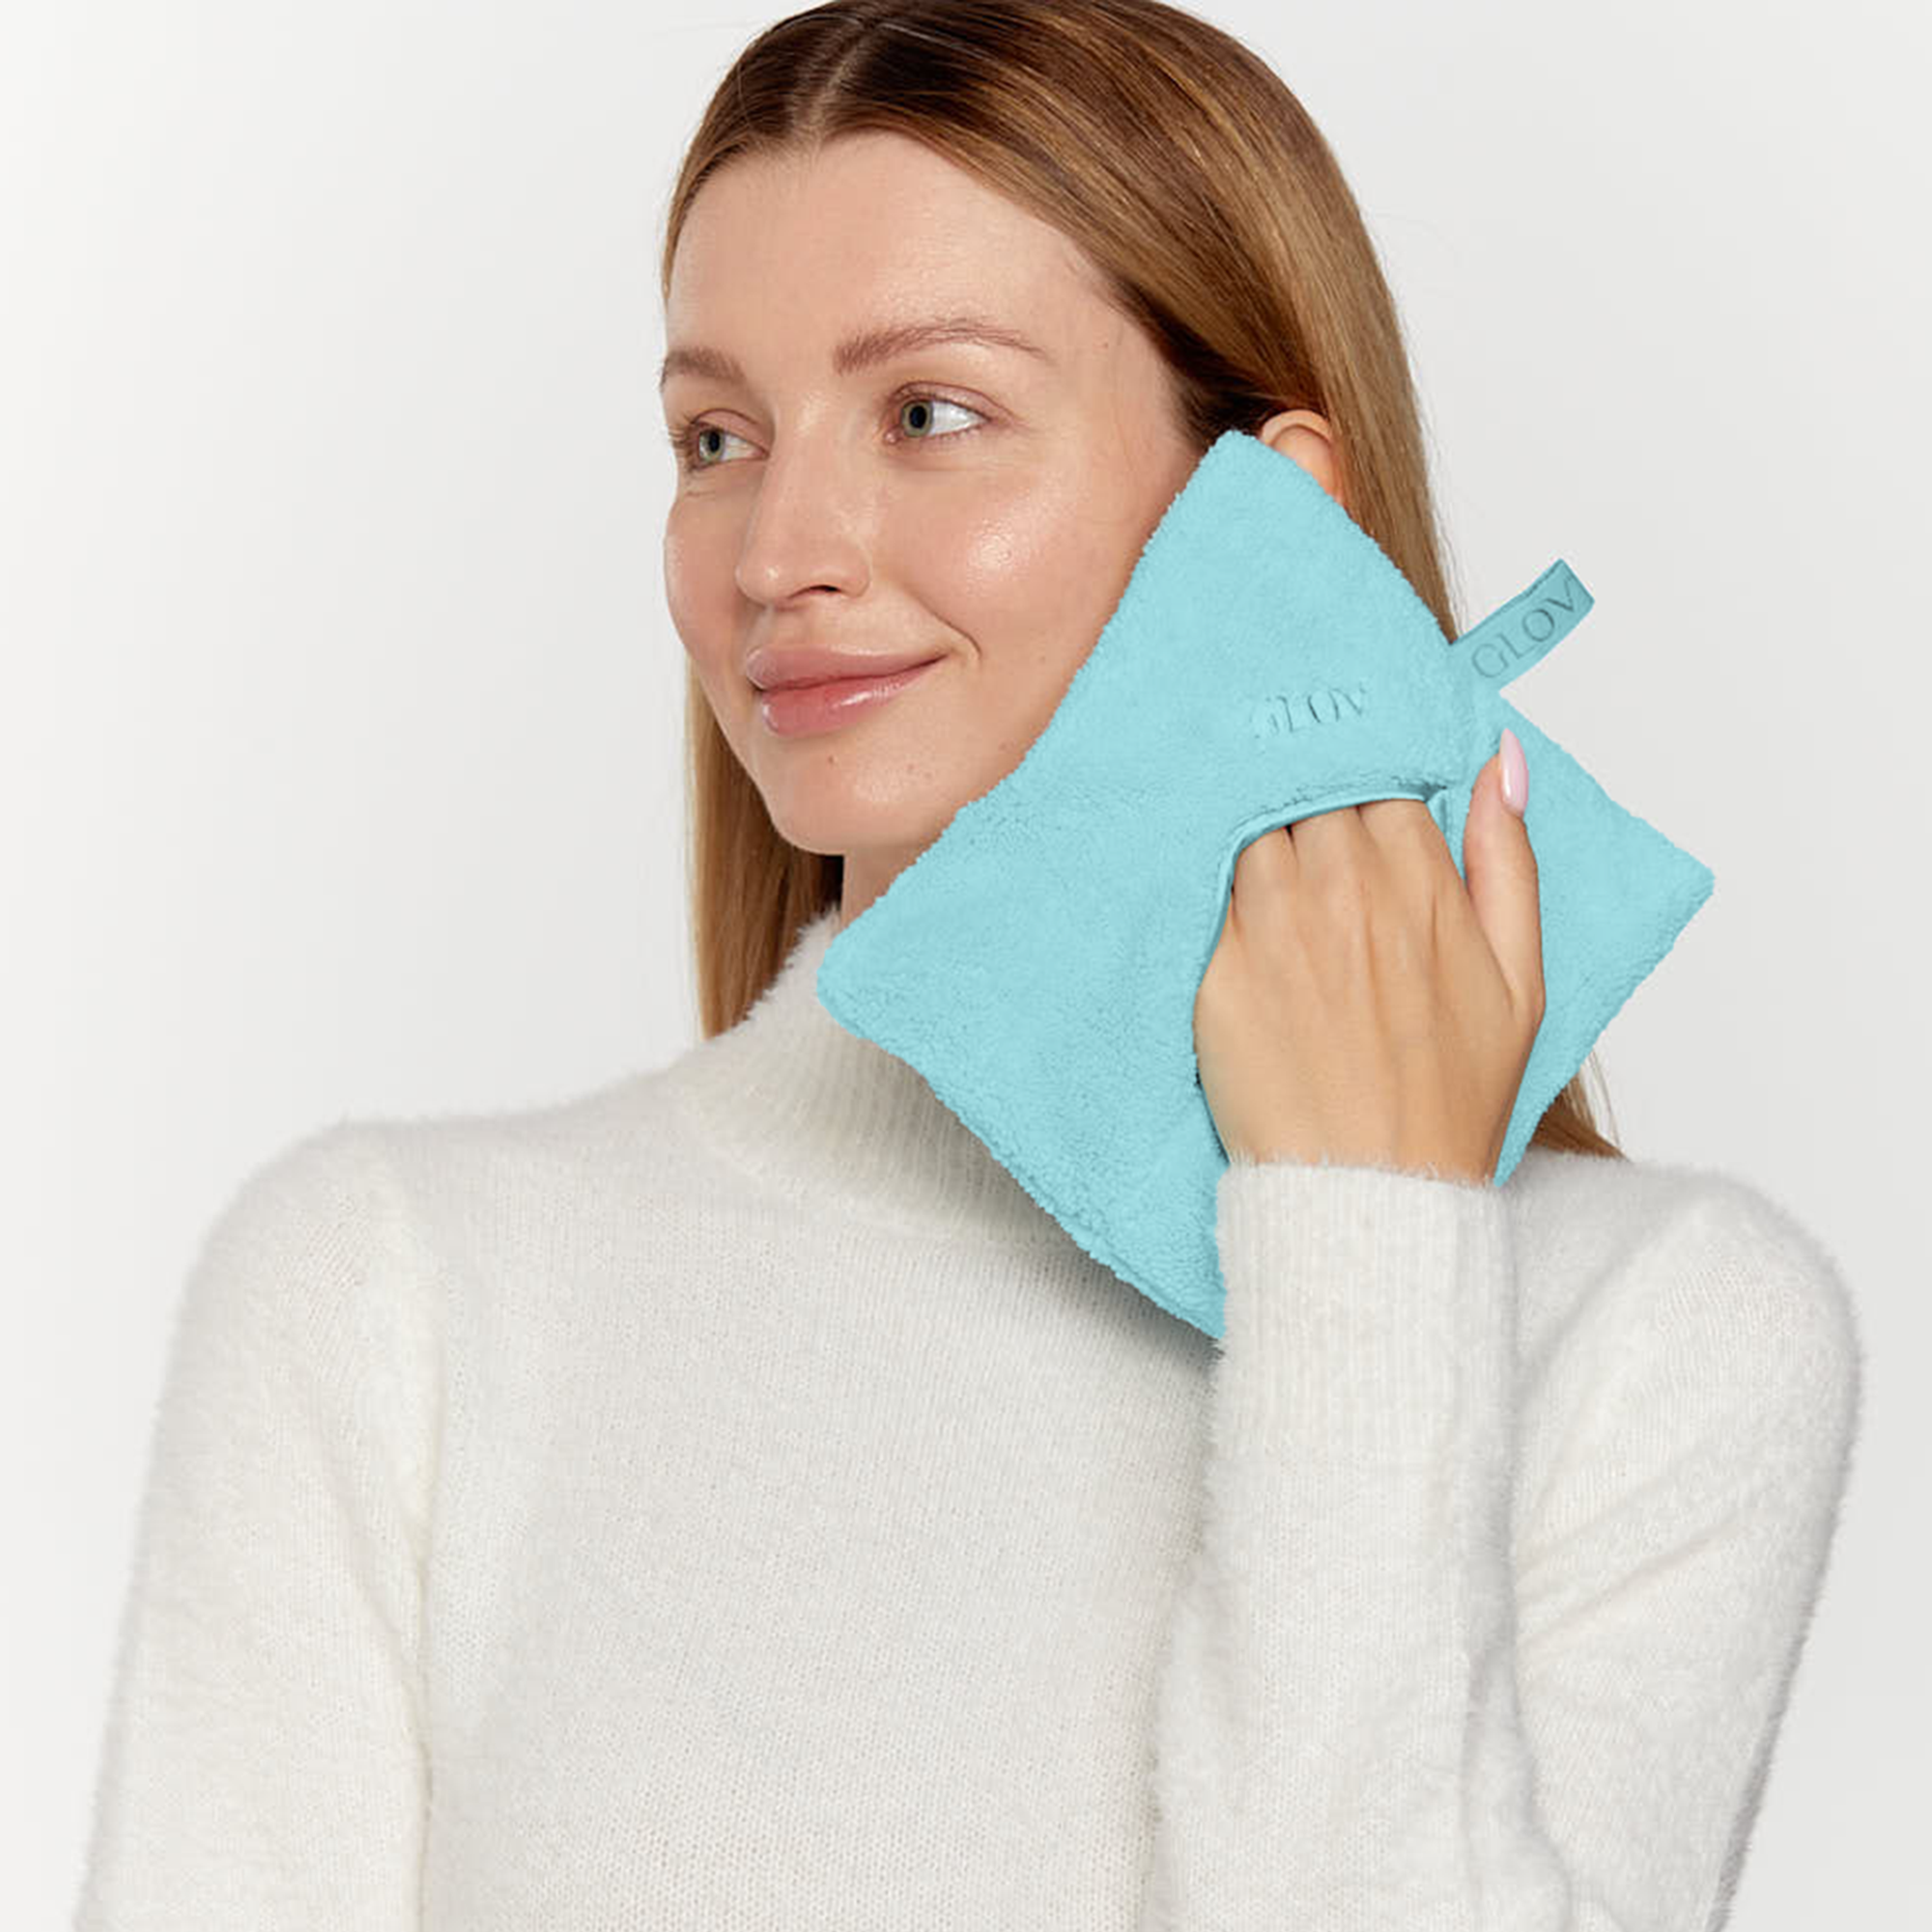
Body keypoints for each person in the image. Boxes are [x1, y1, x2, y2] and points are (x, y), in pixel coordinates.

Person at [73, 3, 1863, 1925]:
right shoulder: (392, 1297)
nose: (776, 551)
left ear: (1272, 509)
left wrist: (1359, 1236)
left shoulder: (1654, 1336)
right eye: (716, 438)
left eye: (929, 414)